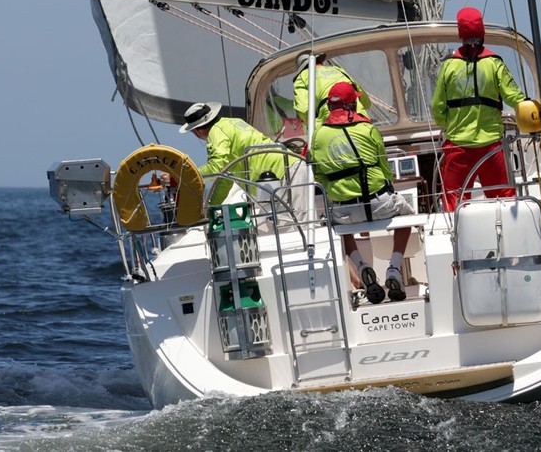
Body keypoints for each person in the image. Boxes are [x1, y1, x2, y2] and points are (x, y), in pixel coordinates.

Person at [311, 82, 414, 304]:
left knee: (337, 227)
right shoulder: (368, 129)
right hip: (379, 204)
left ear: (330, 107)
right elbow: (384, 167)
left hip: (345, 211)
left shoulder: (318, 136)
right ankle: (394, 269)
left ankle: (362, 267)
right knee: (408, 215)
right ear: (352, 104)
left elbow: (319, 176)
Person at [431, 7, 528, 211]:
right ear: (482, 31)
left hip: (458, 147)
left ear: (460, 34)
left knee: (454, 203)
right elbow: (514, 97)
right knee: (503, 198)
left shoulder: (448, 67)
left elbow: (437, 108)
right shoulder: (494, 64)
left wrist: (449, 124)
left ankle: (456, 240)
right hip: (491, 146)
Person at [171, 102, 300, 211]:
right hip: (288, 169)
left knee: (301, 227)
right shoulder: (232, 122)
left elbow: (216, 168)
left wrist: (183, 175)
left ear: (197, 131)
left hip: (282, 175)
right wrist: (211, 208)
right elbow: (225, 179)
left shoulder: (217, 132)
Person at [292, 51, 371, 130]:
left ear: (302, 68)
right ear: (319, 61)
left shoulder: (302, 77)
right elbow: (365, 101)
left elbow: (303, 110)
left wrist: (310, 123)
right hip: (359, 118)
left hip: (330, 120)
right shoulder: (338, 70)